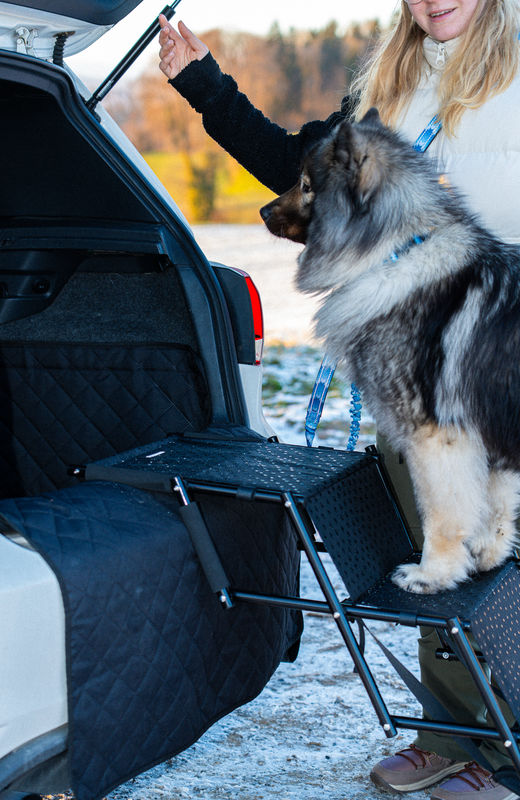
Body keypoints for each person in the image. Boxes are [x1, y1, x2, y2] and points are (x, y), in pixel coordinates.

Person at [158, 2, 520, 798]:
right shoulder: (382, 86)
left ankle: (507, 753)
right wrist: (202, 83)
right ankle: (457, 732)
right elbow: (295, 168)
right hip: (406, 352)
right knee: (440, 542)